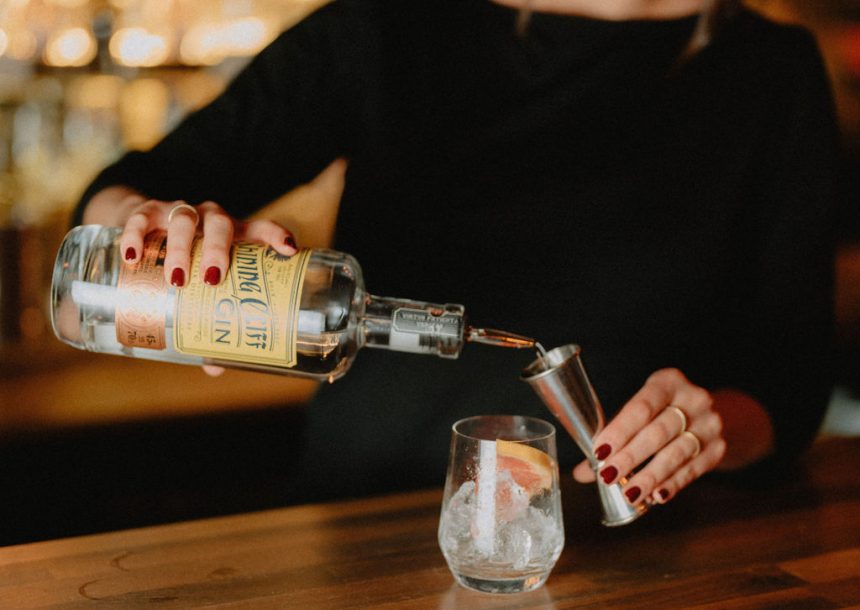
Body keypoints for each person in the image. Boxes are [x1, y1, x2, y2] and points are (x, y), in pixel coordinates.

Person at [73, 0, 840, 508]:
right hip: (361, 531)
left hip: (639, 557)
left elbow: (790, 388)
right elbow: (119, 194)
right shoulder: (390, 23)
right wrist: (151, 222)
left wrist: (709, 428)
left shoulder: (773, 72)